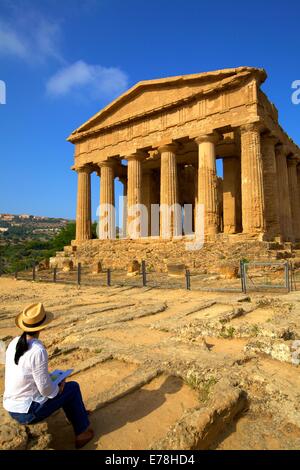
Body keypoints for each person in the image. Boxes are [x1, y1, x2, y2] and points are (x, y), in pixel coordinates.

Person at [3, 302, 94, 449]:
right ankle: (81, 433)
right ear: (43, 326)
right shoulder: (37, 350)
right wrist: (59, 388)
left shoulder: (14, 342)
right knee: (72, 388)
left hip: (11, 404)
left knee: (62, 388)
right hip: (27, 411)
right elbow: (46, 391)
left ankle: (79, 413)